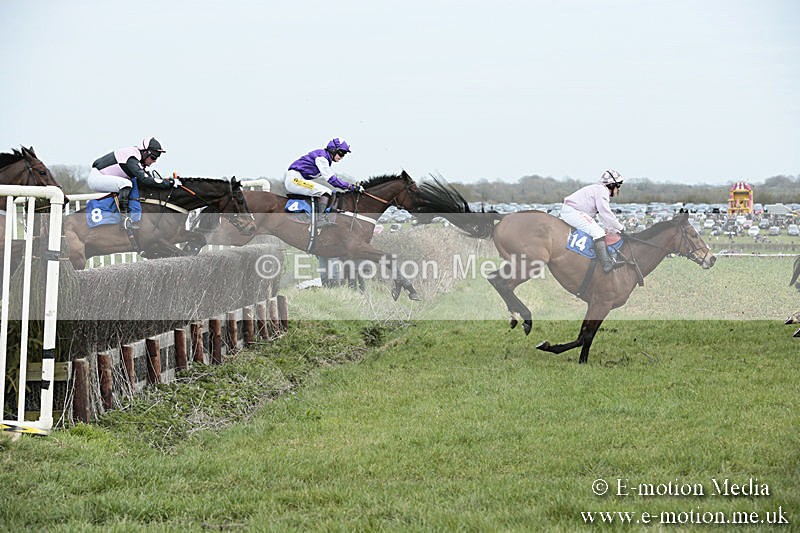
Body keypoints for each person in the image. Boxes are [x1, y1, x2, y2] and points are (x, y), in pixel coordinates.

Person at [87, 137, 172, 230]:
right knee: (126, 183)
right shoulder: (132, 158)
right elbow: (145, 179)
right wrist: (167, 183)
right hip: (96, 178)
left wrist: (166, 182)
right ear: (145, 152)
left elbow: (150, 180)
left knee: (129, 183)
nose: (154, 161)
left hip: (105, 177)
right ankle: (124, 220)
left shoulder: (138, 160)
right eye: (153, 157)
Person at [560, 169, 625, 273]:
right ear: (612, 185)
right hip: (573, 211)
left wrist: (612, 228)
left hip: (572, 211)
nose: (618, 190)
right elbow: (606, 213)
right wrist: (620, 227)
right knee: (598, 233)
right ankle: (607, 264)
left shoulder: (599, 189)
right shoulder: (602, 191)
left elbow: (603, 216)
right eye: (618, 186)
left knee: (599, 231)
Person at [284, 138, 363, 224]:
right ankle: (320, 219)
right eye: (341, 153)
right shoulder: (322, 158)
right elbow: (331, 180)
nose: (342, 157)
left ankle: (315, 215)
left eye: (344, 154)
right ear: (333, 150)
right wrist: (349, 186)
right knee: (325, 192)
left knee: (326, 191)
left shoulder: (325, 157)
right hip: (294, 179)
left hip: (298, 178)